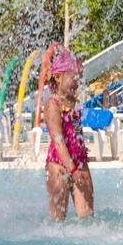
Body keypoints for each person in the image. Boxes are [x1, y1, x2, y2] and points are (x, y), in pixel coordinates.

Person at [44, 50, 94, 220]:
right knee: (58, 221)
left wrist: (81, 161)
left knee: (87, 218)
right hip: (59, 165)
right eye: (74, 77)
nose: (77, 83)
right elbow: (58, 141)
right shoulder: (53, 105)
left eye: (79, 78)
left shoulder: (73, 103)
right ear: (58, 77)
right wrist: (72, 170)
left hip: (79, 163)